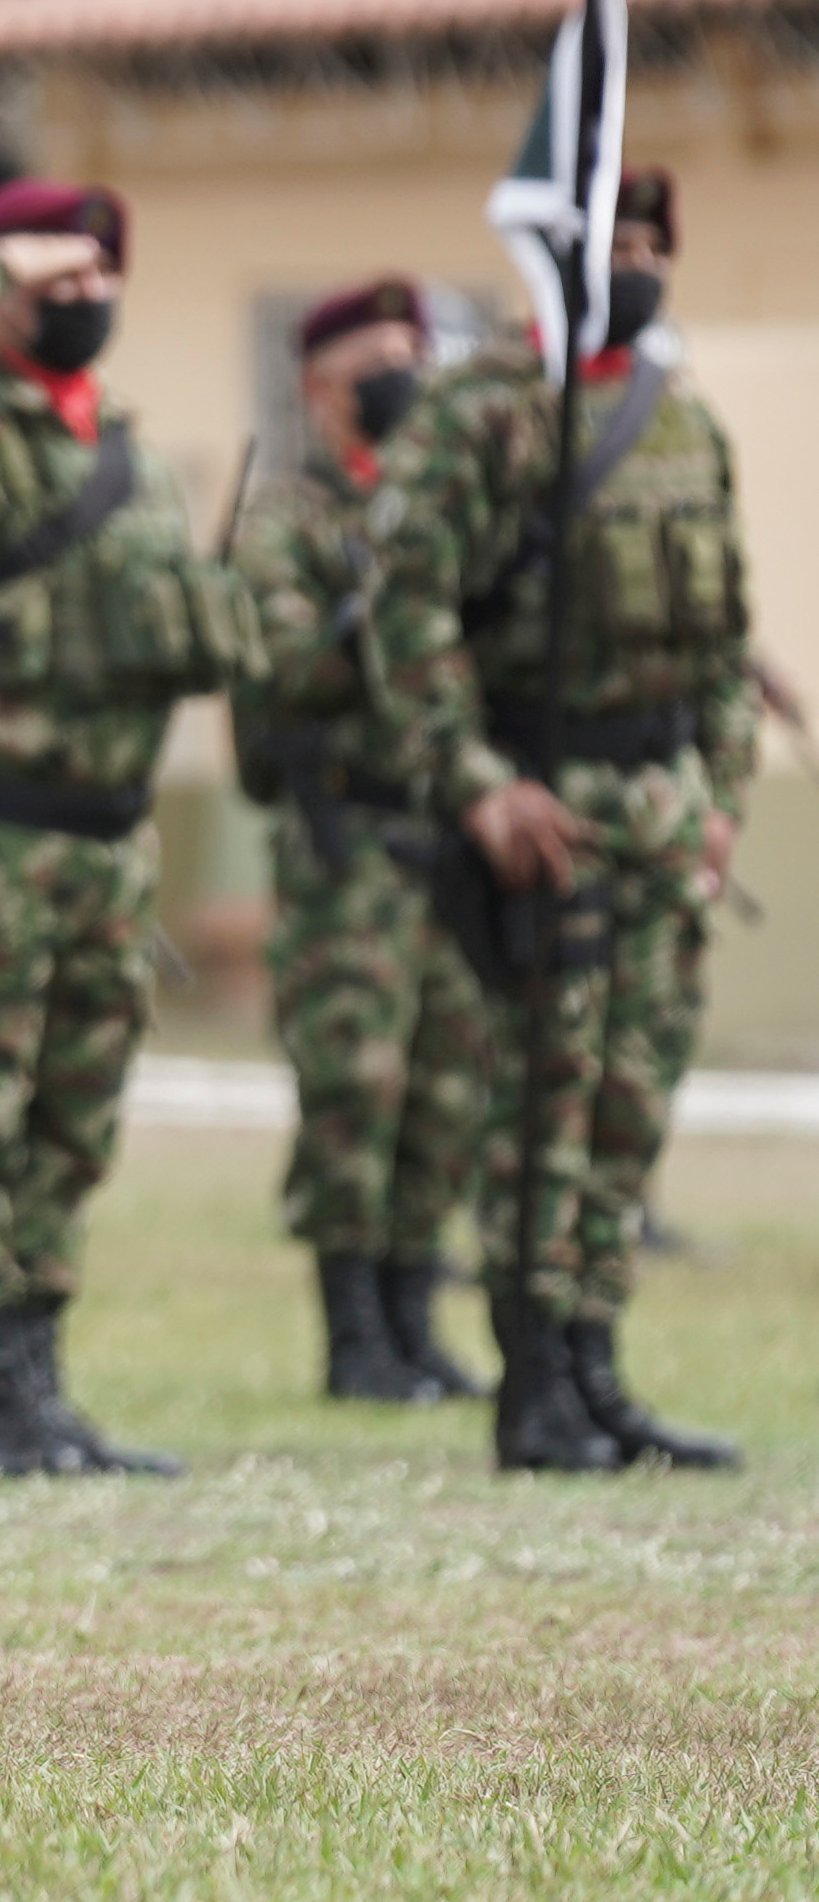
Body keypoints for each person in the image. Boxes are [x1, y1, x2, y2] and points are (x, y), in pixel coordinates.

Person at [0, 180, 248, 1479]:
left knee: (74, 1119)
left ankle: (45, 1376)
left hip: (108, 841)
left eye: (98, 275)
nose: (82, 296)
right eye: (53, 278)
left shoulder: (121, 449)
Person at [367, 170, 747, 1474]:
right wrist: (476, 780)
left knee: (630, 1102)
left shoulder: (680, 421)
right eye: (610, 242)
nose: (634, 264)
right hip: (543, 800)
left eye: (651, 245)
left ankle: (598, 1367)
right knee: (545, 1101)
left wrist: (720, 798)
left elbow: (724, 640)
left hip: (658, 808)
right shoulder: (480, 414)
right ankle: (534, 1384)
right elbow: (405, 619)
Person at [226, 275, 488, 1409]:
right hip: (347, 840)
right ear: (318, 387)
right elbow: (280, 662)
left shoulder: (450, 506)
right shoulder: (288, 517)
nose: (398, 376)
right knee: (354, 1086)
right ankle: (353, 1335)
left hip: (450, 826)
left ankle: (416, 1318)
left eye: (409, 353)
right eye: (373, 358)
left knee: (445, 1084)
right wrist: (382, 607)